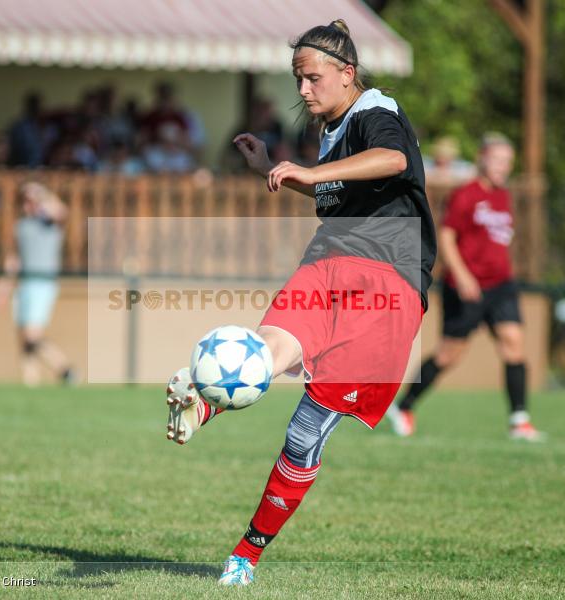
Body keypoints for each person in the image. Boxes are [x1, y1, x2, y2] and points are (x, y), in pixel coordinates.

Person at [161, 20, 435, 586]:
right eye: (298, 80)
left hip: (387, 281)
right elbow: (334, 186)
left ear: (347, 74)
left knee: (304, 432)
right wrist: (272, 170)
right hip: (329, 262)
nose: (304, 91)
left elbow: (393, 161)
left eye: (312, 79)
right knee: (263, 351)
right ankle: (206, 401)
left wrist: (308, 169)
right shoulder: (334, 131)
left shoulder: (377, 112)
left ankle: (246, 553)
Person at [386, 133, 544, 442]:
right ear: (482, 159)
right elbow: (446, 237)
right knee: (449, 355)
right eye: (497, 160)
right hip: (465, 286)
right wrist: (464, 275)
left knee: (513, 341)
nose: (503, 167)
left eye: (508, 162)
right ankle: (404, 406)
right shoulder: (465, 195)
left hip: (501, 284)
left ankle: (519, 420)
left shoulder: (503, 196)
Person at [0, 182, 76, 387]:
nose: (28, 205)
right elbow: (15, 259)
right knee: (22, 334)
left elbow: (62, 212)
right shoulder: (21, 226)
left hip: (43, 283)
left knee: (32, 335)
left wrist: (41, 193)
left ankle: (65, 369)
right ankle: (30, 380)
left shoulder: (50, 224)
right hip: (25, 283)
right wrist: (5, 286)